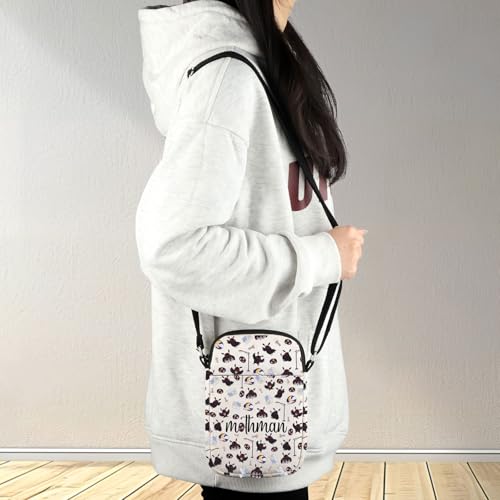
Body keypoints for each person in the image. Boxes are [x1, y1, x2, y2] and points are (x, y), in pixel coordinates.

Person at [135, 0, 366, 497]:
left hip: (272, 398)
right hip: (252, 407)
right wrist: (321, 257)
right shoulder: (229, 77)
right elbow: (171, 244)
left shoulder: (259, 65)